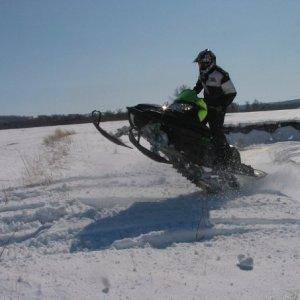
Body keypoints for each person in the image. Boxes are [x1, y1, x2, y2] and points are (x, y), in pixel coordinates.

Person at [193, 49, 237, 165]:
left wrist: (221, 106)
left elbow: (231, 92)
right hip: (205, 105)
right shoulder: (203, 73)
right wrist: (191, 95)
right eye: (199, 63)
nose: (199, 65)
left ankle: (225, 160)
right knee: (194, 123)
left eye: (201, 63)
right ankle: (196, 150)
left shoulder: (220, 74)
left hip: (217, 109)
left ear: (209, 62)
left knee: (216, 131)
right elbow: (198, 87)